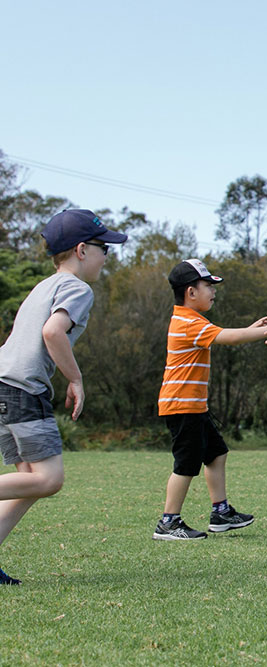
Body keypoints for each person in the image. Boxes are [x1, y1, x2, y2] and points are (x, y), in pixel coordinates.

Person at [0, 209, 128, 584]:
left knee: (27, 483)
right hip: (24, 389)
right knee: (49, 480)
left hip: (4, 385)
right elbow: (53, 333)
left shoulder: (45, 285)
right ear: (81, 250)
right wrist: (76, 378)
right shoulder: (77, 287)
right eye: (104, 247)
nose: (107, 256)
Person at [154, 259, 267, 541]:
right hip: (181, 406)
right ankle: (168, 522)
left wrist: (252, 327)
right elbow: (230, 338)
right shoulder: (187, 322)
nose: (213, 291)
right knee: (186, 465)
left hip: (194, 406)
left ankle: (221, 512)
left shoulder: (195, 321)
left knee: (216, 453)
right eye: (208, 286)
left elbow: (224, 335)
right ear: (191, 292)